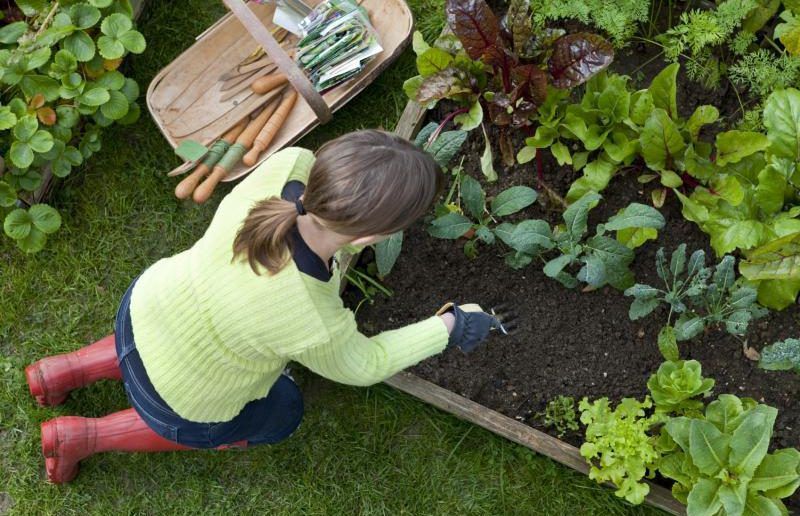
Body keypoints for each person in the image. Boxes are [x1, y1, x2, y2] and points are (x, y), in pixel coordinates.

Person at [25, 130, 509, 484]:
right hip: (179, 399)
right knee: (282, 410)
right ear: (369, 239)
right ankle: (81, 437)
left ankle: (60, 371)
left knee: (171, 337)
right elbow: (366, 364)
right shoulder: (312, 317)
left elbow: (308, 174)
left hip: (145, 306)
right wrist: (448, 325)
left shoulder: (287, 167)